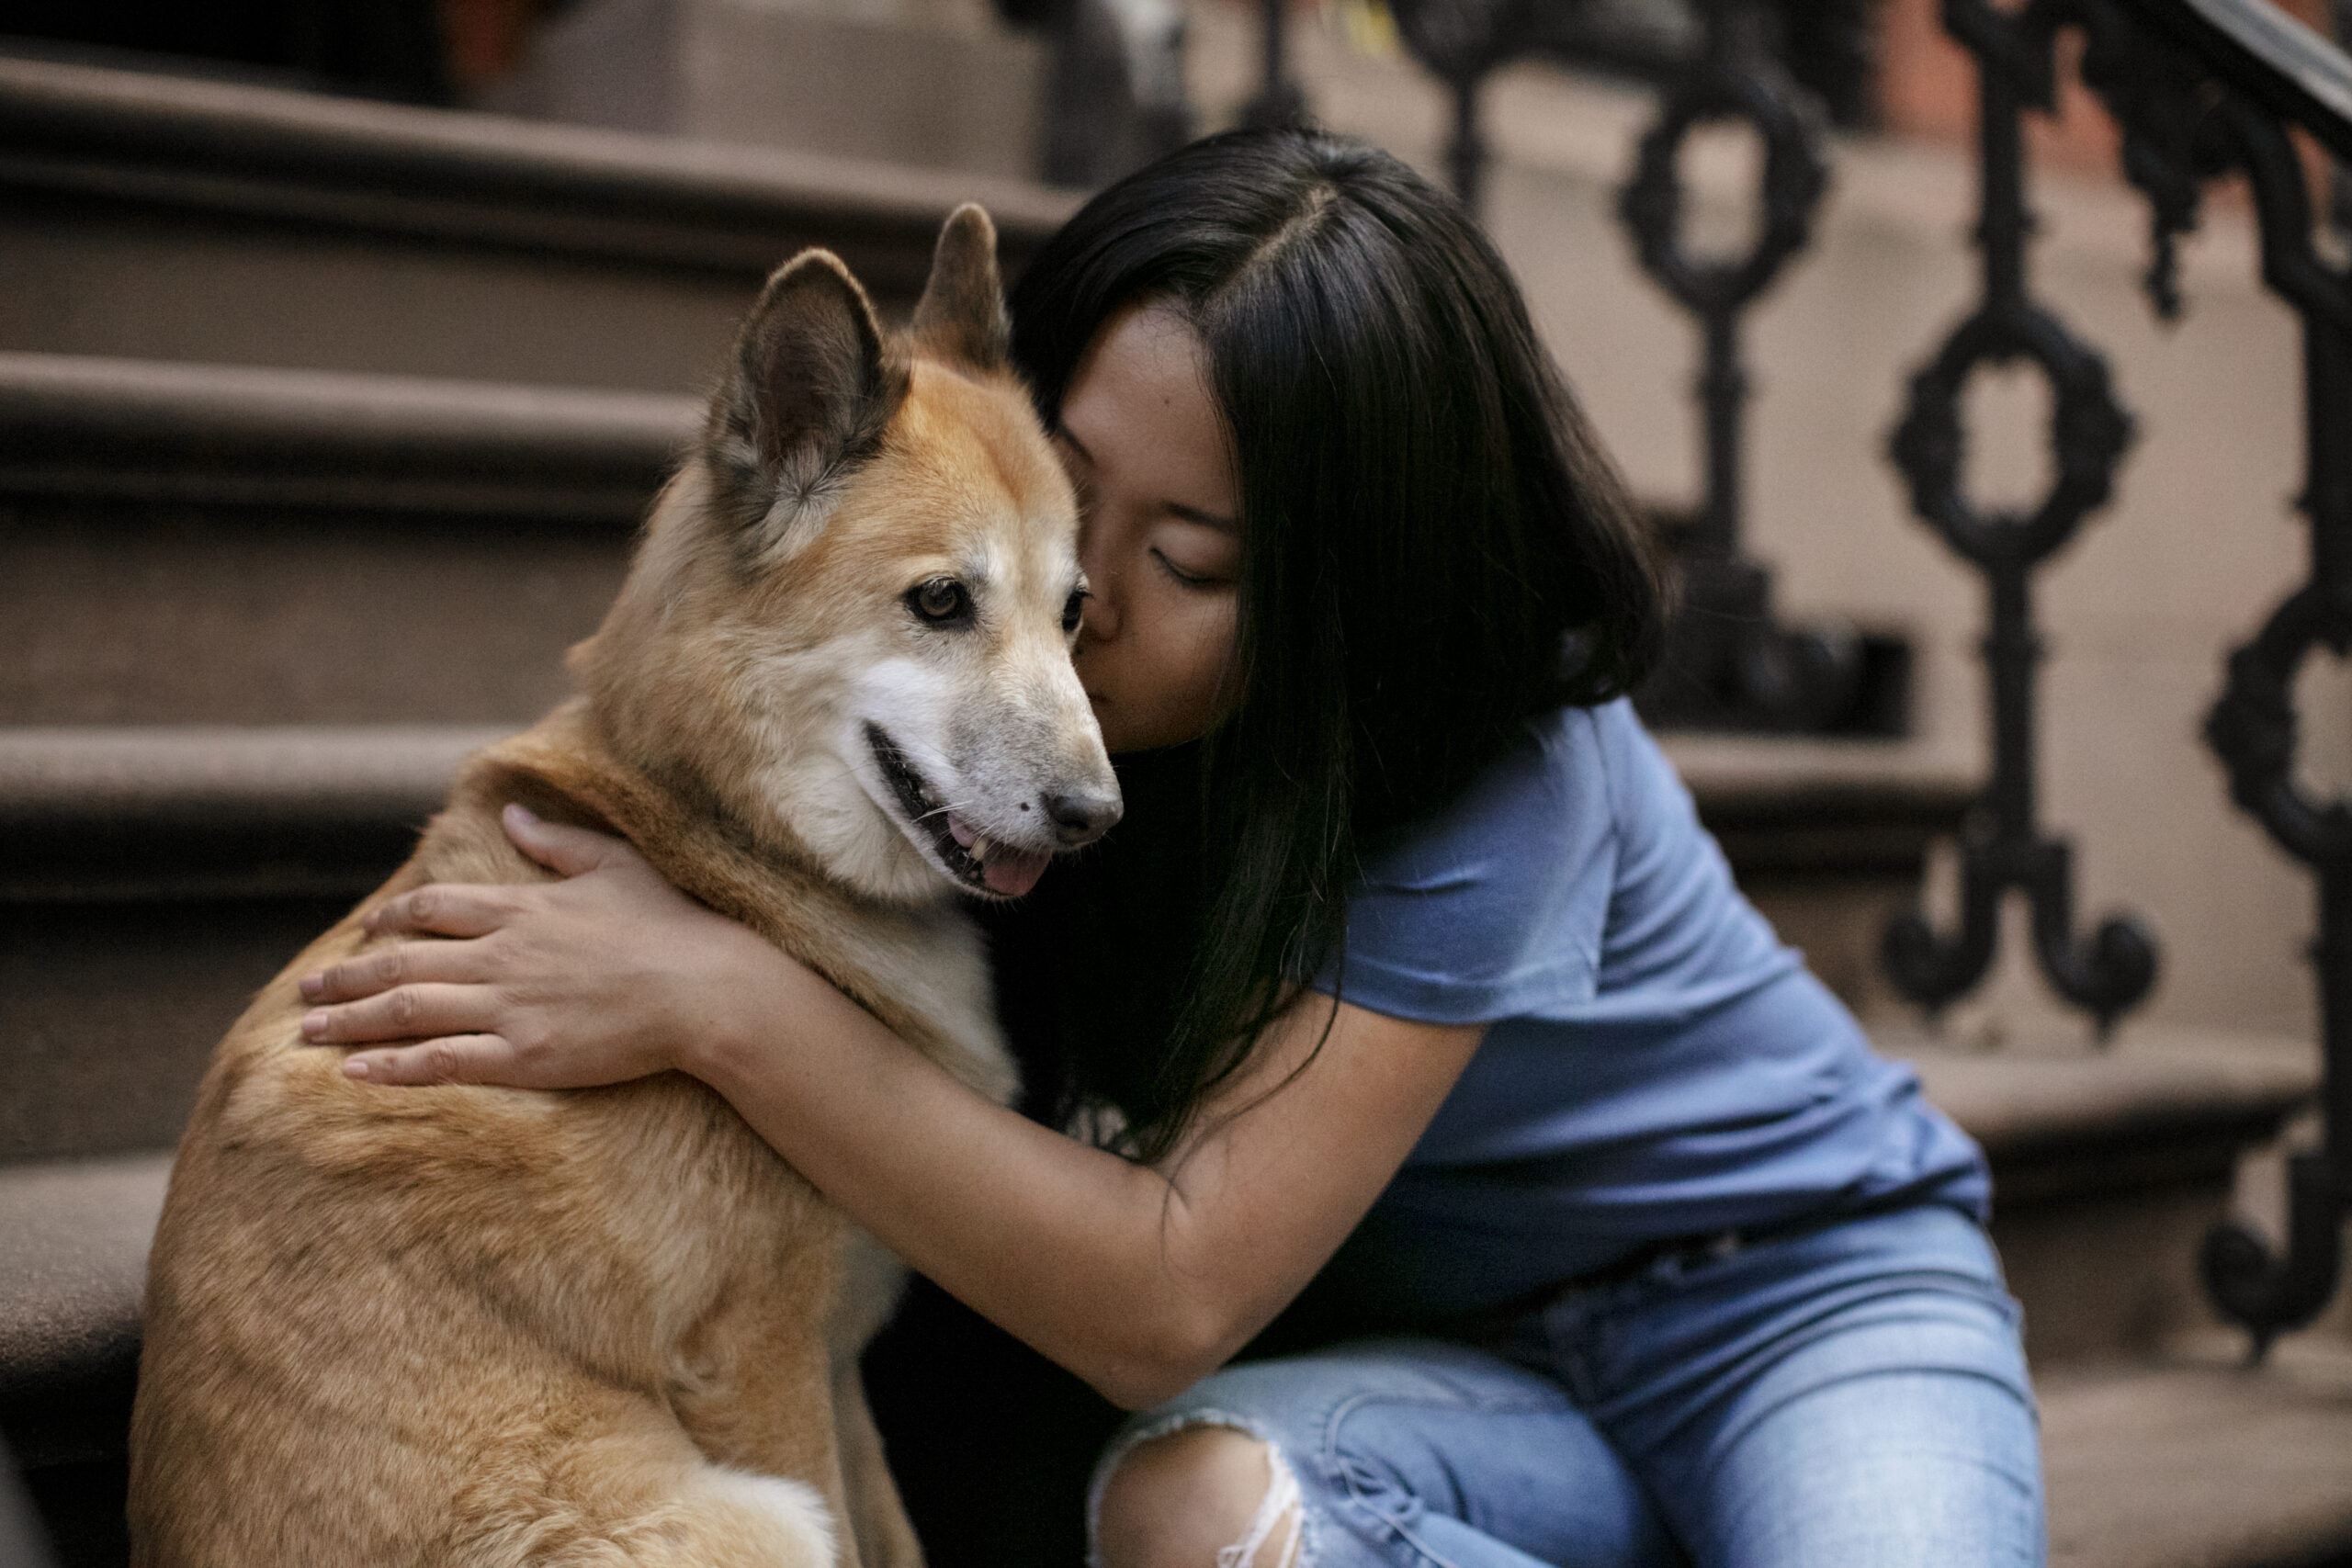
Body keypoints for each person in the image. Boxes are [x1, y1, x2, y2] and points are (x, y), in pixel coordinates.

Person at [296, 127, 2044, 1568]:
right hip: (1446, 1377)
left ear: (1347, 593)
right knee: (1189, 1515)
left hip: (1795, 1311)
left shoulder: (1503, 771)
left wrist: (718, 1002)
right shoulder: (1001, 745)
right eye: (1066, 507)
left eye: (1193, 566)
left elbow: (1162, 1301)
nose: (1088, 617)